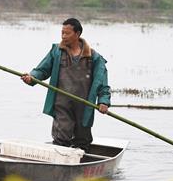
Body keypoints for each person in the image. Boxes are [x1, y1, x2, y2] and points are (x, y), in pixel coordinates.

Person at [21, 18, 110, 150]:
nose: (63, 36)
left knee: (82, 139)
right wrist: (32, 77)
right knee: (61, 137)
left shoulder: (94, 57)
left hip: (84, 105)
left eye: (67, 33)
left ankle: (80, 162)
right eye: (62, 33)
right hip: (62, 104)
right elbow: (42, 70)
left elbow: (102, 83)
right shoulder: (57, 52)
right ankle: (58, 164)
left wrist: (103, 102)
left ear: (77, 34)